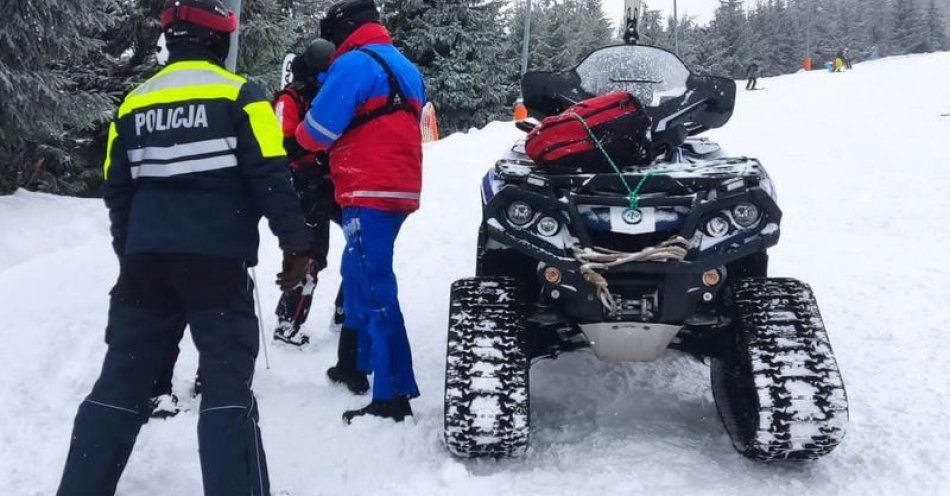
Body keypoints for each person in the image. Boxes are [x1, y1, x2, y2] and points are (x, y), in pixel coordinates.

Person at [55, 1, 312, 495]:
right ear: (219, 41)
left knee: (118, 389)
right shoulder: (243, 96)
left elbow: (118, 190)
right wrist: (296, 245)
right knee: (226, 392)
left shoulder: (135, 102)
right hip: (217, 266)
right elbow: (271, 177)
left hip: (145, 267)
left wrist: (131, 252)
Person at [296, 0, 425, 423]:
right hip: (397, 186)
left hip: (368, 187)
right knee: (357, 274)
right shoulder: (402, 64)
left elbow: (318, 131)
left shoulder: (353, 64)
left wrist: (293, 140)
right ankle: (352, 362)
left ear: (344, 30)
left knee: (373, 287)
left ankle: (392, 395)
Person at [271, 38, 345, 348]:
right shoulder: (291, 98)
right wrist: (310, 150)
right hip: (303, 182)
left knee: (363, 243)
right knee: (309, 255)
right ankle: (287, 323)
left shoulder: (331, 94)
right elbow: (279, 143)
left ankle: (346, 313)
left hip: (332, 180)